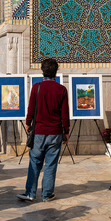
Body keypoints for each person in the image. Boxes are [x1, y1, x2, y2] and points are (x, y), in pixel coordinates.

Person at [18, 58, 70, 202]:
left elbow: (31, 109)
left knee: (35, 162)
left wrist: (28, 123)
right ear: (56, 71)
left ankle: (30, 193)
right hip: (55, 132)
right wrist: (66, 131)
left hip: (39, 132)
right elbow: (64, 113)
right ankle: (47, 194)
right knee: (51, 164)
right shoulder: (62, 90)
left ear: (42, 71)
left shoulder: (37, 87)